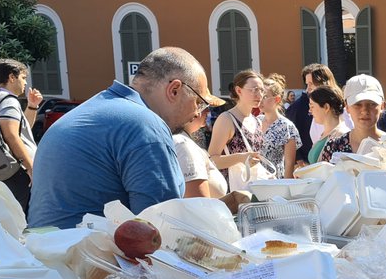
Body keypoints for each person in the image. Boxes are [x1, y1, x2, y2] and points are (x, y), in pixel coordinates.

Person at [28, 47, 223, 229]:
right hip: (85, 259)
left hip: (46, 253)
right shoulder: (146, 124)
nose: (197, 113)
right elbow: (162, 227)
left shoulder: (93, 109)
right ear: (174, 90)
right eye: (198, 102)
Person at [0, 59, 42, 213]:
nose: (25, 83)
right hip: (16, 170)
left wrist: (32, 106)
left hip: (1, 167)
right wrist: (31, 168)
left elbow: (20, 129)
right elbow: (11, 136)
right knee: (23, 217)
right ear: (11, 77)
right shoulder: (8, 101)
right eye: (23, 78)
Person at [207, 69, 265, 189]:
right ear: (239, 90)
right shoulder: (226, 119)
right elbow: (212, 160)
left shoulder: (257, 121)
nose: (259, 95)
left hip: (254, 188)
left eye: (261, 90)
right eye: (254, 90)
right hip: (232, 191)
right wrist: (240, 158)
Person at [318, 75, 386, 164]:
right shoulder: (334, 147)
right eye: (357, 104)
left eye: (372, 104)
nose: (365, 111)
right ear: (347, 107)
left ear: (382, 106)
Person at [174, 107, 227, 199]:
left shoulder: (184, 140)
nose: (208, 112)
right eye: (201, 106)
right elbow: (198, 201)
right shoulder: (183, 143)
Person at [256, 74, 302, 178]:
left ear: (276, 99)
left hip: (275, 180)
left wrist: (285, 188)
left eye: (265, 96)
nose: (260, 100)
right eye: (260, 95)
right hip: (254, 179)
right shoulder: (256, 121)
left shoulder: (287, 126)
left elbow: (289, 164)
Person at [306, 84, 348, 165]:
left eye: (312, 106)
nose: (310, 111)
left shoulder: (341, 135)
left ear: (326, 107)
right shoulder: (325, 133)